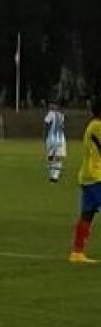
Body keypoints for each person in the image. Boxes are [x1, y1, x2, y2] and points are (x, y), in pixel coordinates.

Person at [69, 99, 101, 264]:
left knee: (87, 215)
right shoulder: (97, 126)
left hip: (89, 176)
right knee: (87, 215)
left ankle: (77, 252)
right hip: (96, 177)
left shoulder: (94, 125)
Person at [44, 100, 66, 183]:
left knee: (52, 157)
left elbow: (46, 125)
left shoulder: (50, 114)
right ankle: (55, 176)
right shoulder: (61, 115)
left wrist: (45, 137)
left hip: (52, 139)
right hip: (61, 139)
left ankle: (53, 176)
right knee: (58, 157)